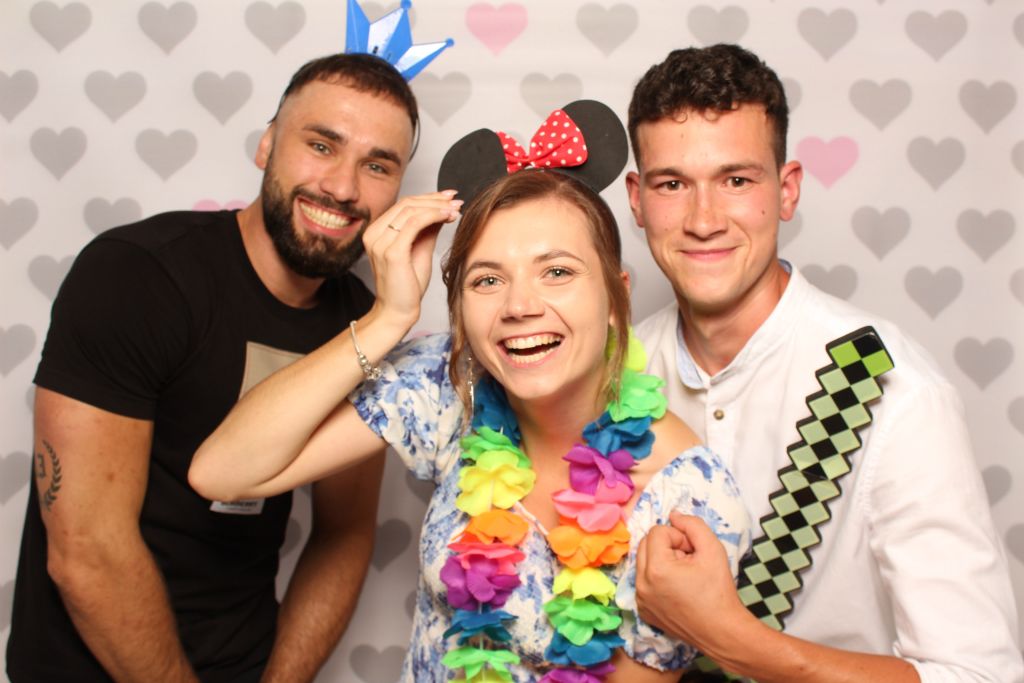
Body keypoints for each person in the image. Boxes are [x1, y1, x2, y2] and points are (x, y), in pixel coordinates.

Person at [189, 104, 752, 682]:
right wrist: (387, 319)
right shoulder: (448, 385)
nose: (519, 306)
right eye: (487, 279)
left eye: (557, 271)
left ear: (617, 297)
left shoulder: (688, 498)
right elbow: (222, 473)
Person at [6, 52, 420, 683]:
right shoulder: (137, 275)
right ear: (266, 145)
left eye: (377, 165)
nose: (343, 187)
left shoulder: (367, 323)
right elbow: (86, 551)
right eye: (321, 145)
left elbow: (344, 533)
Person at [626, 44, 1022, 682]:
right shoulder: (613, 377)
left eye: (736, 181)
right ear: (637, 199)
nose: (703, 219)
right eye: (673, 184)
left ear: (786, 191)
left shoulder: (893, 390)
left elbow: (980, 676)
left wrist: (728, 637)